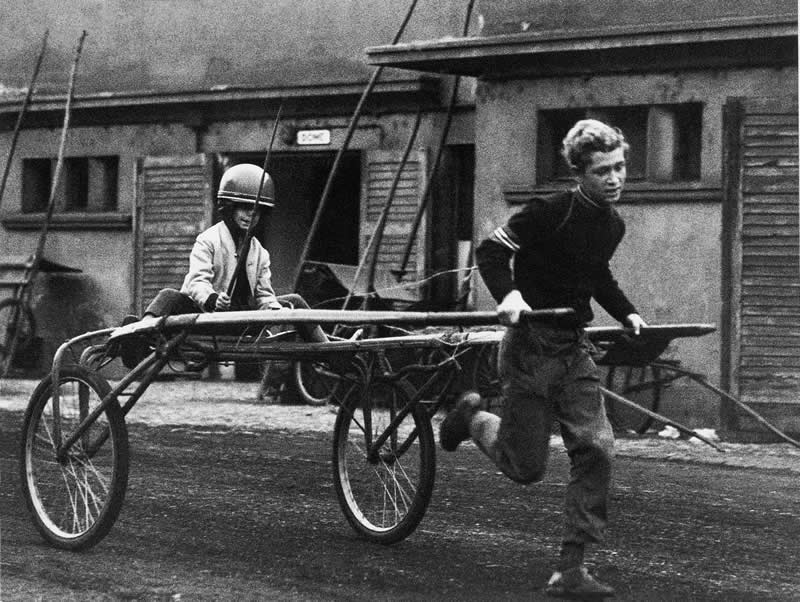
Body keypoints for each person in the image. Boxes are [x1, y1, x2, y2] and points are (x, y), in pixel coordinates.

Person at [439, 119, 646, 599]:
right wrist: (509, 294)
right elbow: (492, 251)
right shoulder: (548, 212)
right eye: (602, 171)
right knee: (525, 467)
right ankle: (472, 419)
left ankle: (571, 568)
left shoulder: (612, 224)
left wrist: (627, 312)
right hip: (529, 348)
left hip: (573, 350)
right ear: (579, 173)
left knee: (596, 448)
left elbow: (597, 275)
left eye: (619, 168)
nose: (614, 179)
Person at [120, 163, 330, 369]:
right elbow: (196, 282)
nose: (250, 215)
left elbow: (264, 296)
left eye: (257, 210)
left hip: (240, 321)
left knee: (294, 301)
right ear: (229, 208)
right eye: (244, 208)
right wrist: (213, 299)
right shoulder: (208, 240)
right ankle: (138, 334)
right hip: (205, 318)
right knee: (168, 295)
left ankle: (330, 353)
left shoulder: (260, 252)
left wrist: (276, 310)